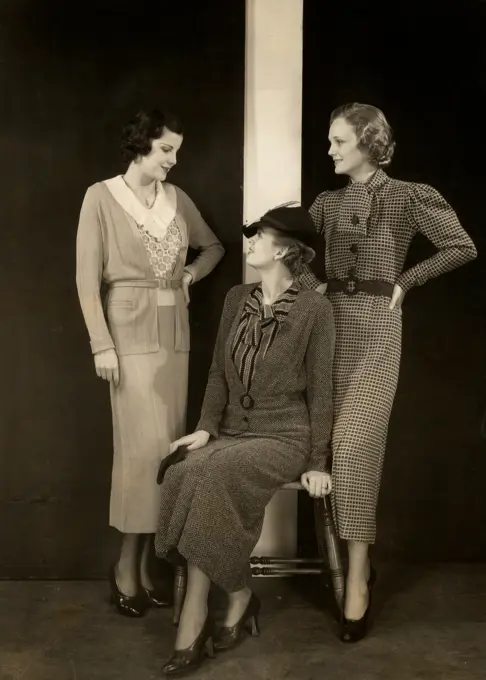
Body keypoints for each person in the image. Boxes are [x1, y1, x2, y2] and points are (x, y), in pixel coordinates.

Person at [300, 102, 477, 642]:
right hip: (331, 332)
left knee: (354, 448)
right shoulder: (326, 204)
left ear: (368, 143)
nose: (328, 150)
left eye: (337, 141)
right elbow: (287, 251)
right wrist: (317, 290)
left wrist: (406, 281)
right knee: (328, 446)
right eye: (329, 141)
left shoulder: (407, 196)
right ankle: (351, 566)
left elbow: (461, 246)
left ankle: (357, 577)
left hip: (378, 330)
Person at [154, 204, 335, 677]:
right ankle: (238, 595)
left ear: (285, 250)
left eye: (258, 235)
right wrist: (205, 428)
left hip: (284, 436)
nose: (249, 241)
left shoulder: (317, 308)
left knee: (209, 475)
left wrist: (317, 460)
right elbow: (218, 372)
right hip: (231, 431)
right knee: (186, 467)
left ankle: (192, 622)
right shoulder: (237, 298)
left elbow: (321, 390)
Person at [75, 109, 225, 617]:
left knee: (167, 455)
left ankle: (143, 571)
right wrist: (101, 343)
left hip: (173, 339)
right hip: (127, 338)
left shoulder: (176, 199)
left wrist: (189, 276)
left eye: (176, 151)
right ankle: (126, 567)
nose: (174, 160)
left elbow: (213, 248)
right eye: (167, 150)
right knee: (139, 458)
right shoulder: (101, 197)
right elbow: (86, 280)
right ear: (141, 145)